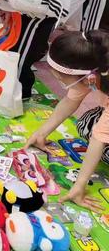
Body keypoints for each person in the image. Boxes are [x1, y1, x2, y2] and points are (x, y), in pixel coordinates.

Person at [24, 30, 108, 212]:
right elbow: (71, 100)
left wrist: (79, 185)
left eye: (62, 80)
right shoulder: (93, 68)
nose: (61, 83)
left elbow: (99, 138)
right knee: (86, 123)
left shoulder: (91, 76)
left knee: (100, 142)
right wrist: (41, 133)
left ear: (88, 78)